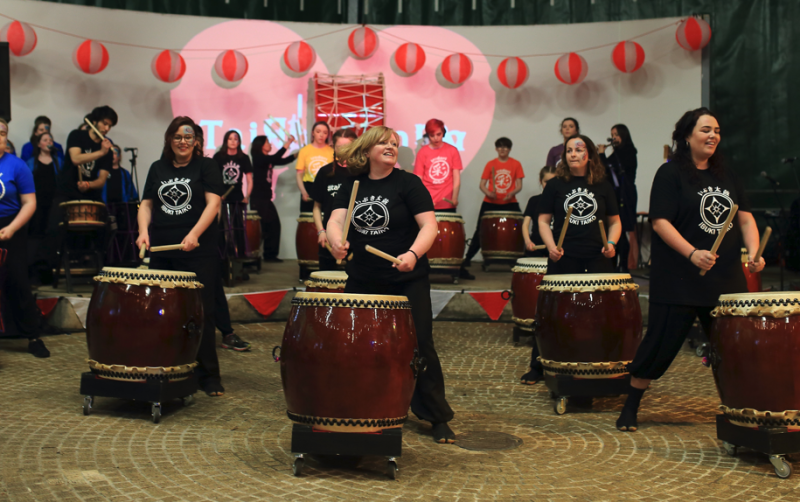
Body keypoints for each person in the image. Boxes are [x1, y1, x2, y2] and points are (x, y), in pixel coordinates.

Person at [616, 108, 765, 432]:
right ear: (687, 136)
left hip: (725, 277)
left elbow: (745, 218)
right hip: (679, 278)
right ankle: (631, 406)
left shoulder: (727, 175)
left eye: (717, 131)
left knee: (734, 347)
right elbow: (660, 222)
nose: (713, 136)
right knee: (659, 344)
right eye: (705, 130)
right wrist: (692, 253)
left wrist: (754, 252)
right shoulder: (670, 174)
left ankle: (742, 410)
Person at [327, 126, 456, 444]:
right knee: (357, 347)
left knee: (420, 344)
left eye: (395, 143)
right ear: (368, 150)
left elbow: (430, 225)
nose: (391, 146)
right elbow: (336, 221)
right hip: (363, 278)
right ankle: (360, 406)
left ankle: (436, 416)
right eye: (383, 142)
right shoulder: (352, 185)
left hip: (406, 279)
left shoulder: (408, 183)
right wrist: (335, 242)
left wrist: (413, 253)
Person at [136, 116, 226, 397]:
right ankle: (169, 368)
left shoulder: (207, 166)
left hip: (198, 251)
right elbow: (147, 205)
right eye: (178, 137)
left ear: (196, 141)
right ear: (169, 140)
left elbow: (214, 203)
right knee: (164, 313)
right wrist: (142, 232)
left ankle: (208, 375)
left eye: (189, 137)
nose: (183, 142)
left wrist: (195, 234)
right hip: (164, 251)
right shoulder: (157, 168)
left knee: (202, 313)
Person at [0, 119, 52, 358]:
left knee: (18, 280)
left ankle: (33, 336)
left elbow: (30, 203)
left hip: (13, 226)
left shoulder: (17, 165)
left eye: (2, 134)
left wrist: (11, 229)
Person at [538, 135, 621, 275]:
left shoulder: (604, 186)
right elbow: (543, 221)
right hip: (563, 255)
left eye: (578, 150)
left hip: (597, 256)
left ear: (589, 155)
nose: (573, 154)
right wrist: (551, 247)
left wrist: (611, 244)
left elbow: (615, 222)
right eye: (569, 151)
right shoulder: (554, 185)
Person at [464, 137, 524, 266]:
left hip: (510, 201)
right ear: (496, 149)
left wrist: (511, 193)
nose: (503, 149)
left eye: (506, 147)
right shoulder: (490, 164)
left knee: (521, 227)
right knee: (480, 230)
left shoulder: (516, 164)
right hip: (490, 202)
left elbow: (519, 185)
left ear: (510, 149)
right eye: (500, 147)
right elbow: (482, 184)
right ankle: (468, 258)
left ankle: (521, 259)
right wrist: (488, 193)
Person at [310, 128, 357, 270]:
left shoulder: (361, 172)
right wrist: (321, 231)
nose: (343, 151)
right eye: (339, 147)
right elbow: (317, 207)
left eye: (347, 147)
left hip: (356, 238)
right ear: (333, 147)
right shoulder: (325, 172)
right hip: (329, 237)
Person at [250, 134, 296, 262]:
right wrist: (289, 142)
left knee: (271, 226)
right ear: (261, 145)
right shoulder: (258, 158)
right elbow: (276, 157)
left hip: (264, 199)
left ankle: (269, 255)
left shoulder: (267, 159)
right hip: (259, 199)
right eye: (267, 142)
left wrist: (296, 156)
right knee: (268, 227)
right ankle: (263, 255)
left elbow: (281, 161)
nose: (270, 144)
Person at [599, 124, 638, 272]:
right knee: (616, 233)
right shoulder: (616, 154)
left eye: (616, 134)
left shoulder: (628, 152)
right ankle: (615, 265)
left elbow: (607, 168)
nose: (613, 138)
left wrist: (602, 154)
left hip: (625, 195)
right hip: (616, 195)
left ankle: (623, 266)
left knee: (622, 232)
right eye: (612, 134)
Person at [295, 121, 333, 212]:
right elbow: (299, 174)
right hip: (309, 188)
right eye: (318, 131)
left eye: (325, 132)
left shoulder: (332, 151)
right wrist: (303, 192)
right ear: (313, 133)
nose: (321, 135)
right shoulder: (304, 150)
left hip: (326, 187)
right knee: (308, 221)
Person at [522, 166, 557, 258]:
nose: (549, 185)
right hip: (537, 245)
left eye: (553, 182)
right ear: (540, 181)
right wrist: (528, 241)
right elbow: (525, 224)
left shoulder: (562, 201)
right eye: (546, 182)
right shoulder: (534, 200)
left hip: (557, 246)